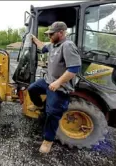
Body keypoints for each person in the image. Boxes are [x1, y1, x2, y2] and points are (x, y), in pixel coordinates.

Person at [28, 21, 82, 153]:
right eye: (48, 34)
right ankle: (39, 105)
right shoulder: (53, 45)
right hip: (48, 81)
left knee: (52, 114)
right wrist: (34, 39)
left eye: (51, 34)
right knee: (32, 88)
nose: (49, 37)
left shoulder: (67, 46)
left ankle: (48, 140)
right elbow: (42, 47)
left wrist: (58, 83)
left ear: (61, 33)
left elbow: (74, 69)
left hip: (59, 87)